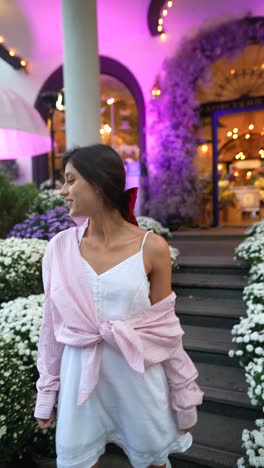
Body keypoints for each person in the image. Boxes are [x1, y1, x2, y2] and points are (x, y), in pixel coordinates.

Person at [34, 144, 203, 468]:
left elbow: (165, 330)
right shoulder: (58, 249)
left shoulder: (152, 247)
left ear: (98, 183)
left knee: (152, 460)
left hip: (139, 379)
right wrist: (47, 392)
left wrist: (184, 396)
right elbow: (50, 329)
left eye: (70, 180)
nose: (63, 191)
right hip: (79, 383)